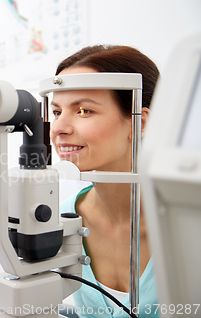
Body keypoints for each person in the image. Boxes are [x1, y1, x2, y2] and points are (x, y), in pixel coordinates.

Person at [51, 45, 160, 318]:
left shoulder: (186, 221)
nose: (59, 127)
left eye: (84, 111)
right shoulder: (63, 218)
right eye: (56, 112)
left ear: (140, 122)